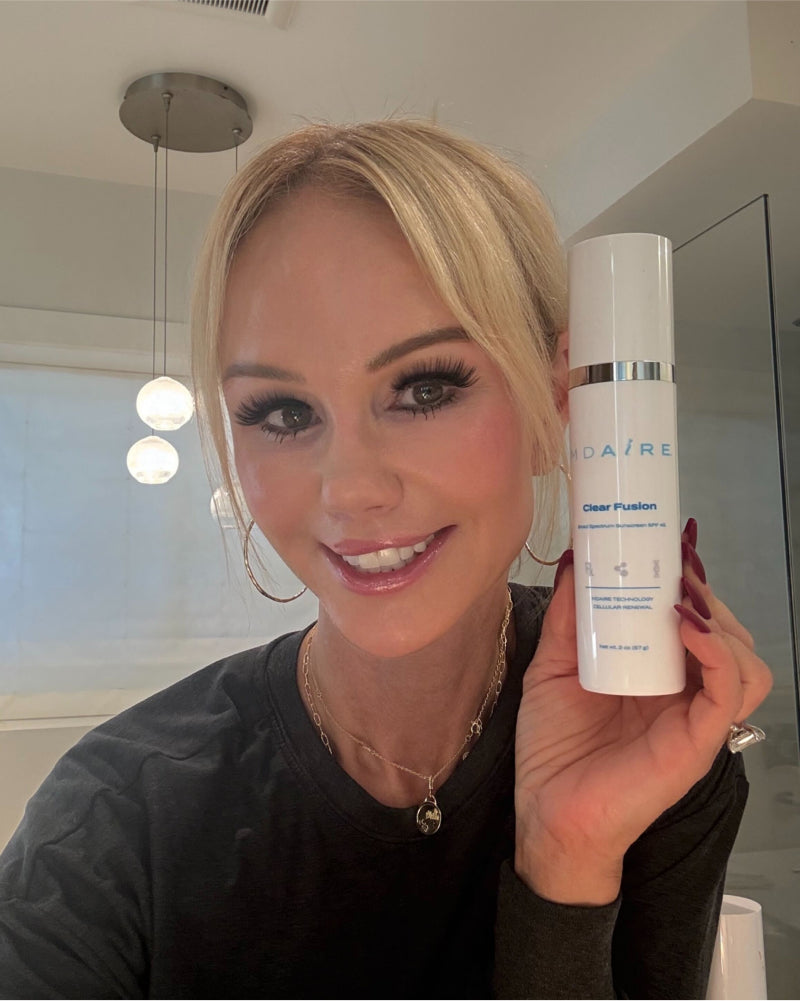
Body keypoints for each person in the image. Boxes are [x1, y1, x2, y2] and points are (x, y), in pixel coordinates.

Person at [0, 120, 772, 999]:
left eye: (425, 387)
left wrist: (567, 860)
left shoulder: (645, 732)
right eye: (283, 413)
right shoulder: (111, 821)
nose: (352, 488)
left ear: (554, 399)